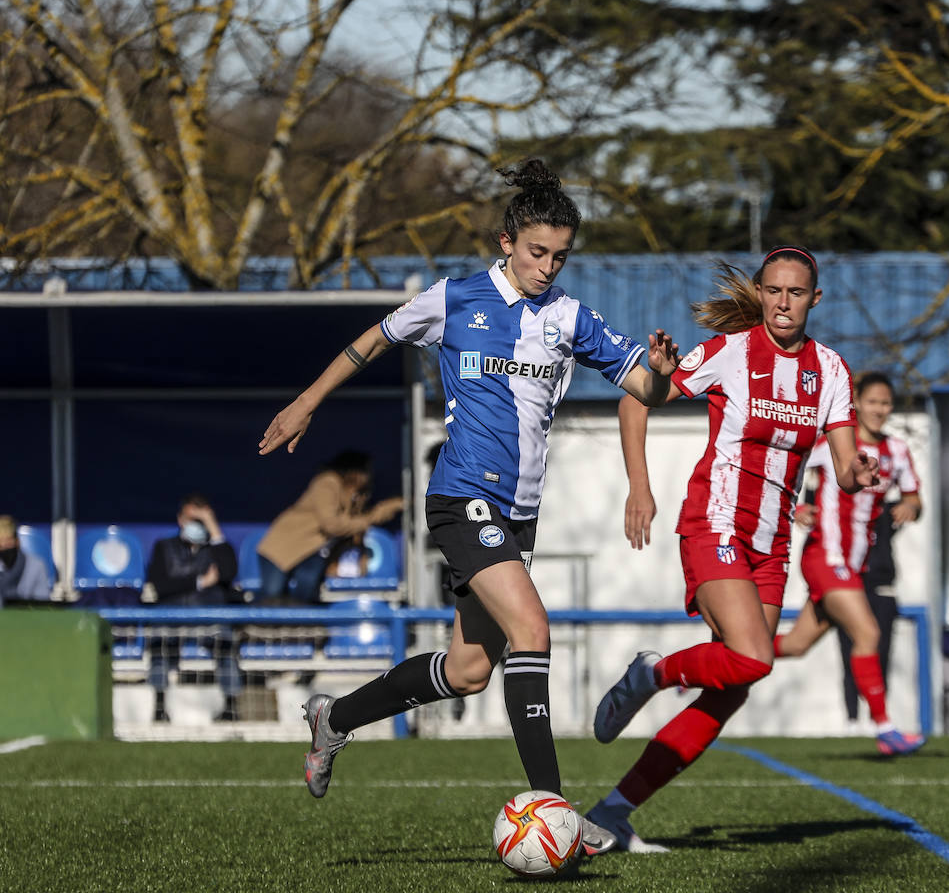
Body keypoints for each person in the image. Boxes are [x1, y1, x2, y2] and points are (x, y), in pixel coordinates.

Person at [258, 159, 681, 854]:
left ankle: (335, 718)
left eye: (560, 256)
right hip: (462, 497)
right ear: (506, 242)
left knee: (468, 670)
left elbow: (645, 388)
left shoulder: (571, 317)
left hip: (519, 513)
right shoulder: (454, 299)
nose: (547, 267)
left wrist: (660, 377)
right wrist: (307, 401)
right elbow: (372, 342)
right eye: (536, 252)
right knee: (532, 628)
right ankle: (557, 810)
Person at [585, 245, 879, 853]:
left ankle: (613, 813)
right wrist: (639, 487)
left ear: (815, 299)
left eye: (796, 292)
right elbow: (636, 399)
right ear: (761, 293)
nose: (783, 303)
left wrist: (860, 475)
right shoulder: (731, 352)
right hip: (715, 523)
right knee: (753, 657)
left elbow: (846, 467)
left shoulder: (831, 370)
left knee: (734, 687)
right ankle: (651, 674)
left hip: (773, 545)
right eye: (773, 290)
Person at [774, 371, 925, 755]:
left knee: (794, 645)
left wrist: (911, 506)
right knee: (868, 633)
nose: (879, 409)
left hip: (853, 565)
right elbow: (783, 472)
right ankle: (885, 729)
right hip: (827, 556)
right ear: (856, 402)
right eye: (872, 401)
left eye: (886, 403)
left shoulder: (897, 450)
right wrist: (797, 508)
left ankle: (716, 660)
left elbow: (914, 497)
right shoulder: (835, 443)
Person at [255, 451, 403, 603]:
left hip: (311, 552)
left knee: (305, 596)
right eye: (366, 471)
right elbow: (332, 525)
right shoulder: (327, 482)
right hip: (282, 547)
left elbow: (358, 521)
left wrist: (390, 507)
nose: (369, 476)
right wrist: (369, 519)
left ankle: (299, 617)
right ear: (353, 471)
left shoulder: (357, 494)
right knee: (272, 595)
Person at [143, 494, 243, 722]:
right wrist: (200, 582)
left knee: (226, 642)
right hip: (171, 614)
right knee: (158, 642)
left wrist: (213, 527)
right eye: (192, 519)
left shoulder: (218, 548)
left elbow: (228, 573)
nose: (196, 524)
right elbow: (160, 585)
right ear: (180, 519)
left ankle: (230, 707)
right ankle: (159, 706)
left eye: (201, 520)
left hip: (209, 615)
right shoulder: (163, 547)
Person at [0, 515, 52, 605]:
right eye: (0, 543)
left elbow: (42, 603)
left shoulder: (36, 565)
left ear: (17, 542)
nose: (4, 546)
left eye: (8, 541)